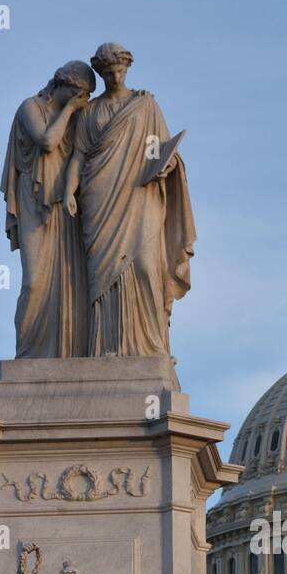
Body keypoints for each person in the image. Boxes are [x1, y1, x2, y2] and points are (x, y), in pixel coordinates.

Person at [63, 42, 196, 359]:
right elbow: (79, 156)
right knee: (102, 278)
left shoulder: (145, 106)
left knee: (145, 266)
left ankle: (150, 347)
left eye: (120, 71)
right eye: (108, 73)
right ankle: (104, 348)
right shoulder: (90, 112)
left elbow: (158, 149)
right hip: (99, 198)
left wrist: (165, 164)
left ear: (128, 69)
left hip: (141, 194)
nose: (115, 77)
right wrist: (69, 190)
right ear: (100, 73)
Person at [1, 60, 96, 358]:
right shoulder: (30, 107)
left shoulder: (77, 119)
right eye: (80, 93)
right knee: (35, 281)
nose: (84, 102)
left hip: (66, 208)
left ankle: (66, 354)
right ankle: (28, 355)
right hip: (34, 201)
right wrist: (68, 110)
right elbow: (46, 141)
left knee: (69, 284)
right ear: (62, 84)